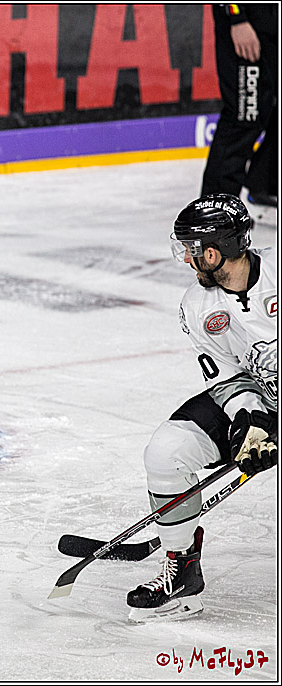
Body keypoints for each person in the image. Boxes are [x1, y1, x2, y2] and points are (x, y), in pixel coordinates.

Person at [126, 194, 277, 622]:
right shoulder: (197, 307)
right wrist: (253, 423)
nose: (189, 261)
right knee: (167, 453)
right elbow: (230, 378)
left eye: (193, 250)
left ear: (214, 251)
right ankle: (183, 573)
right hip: (266, 397)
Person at [200, 3, 278, 208]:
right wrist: (237, 17)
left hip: (273, 20)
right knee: (245, 115)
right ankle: (216, 208)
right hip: (248, 21)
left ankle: (265, 184)